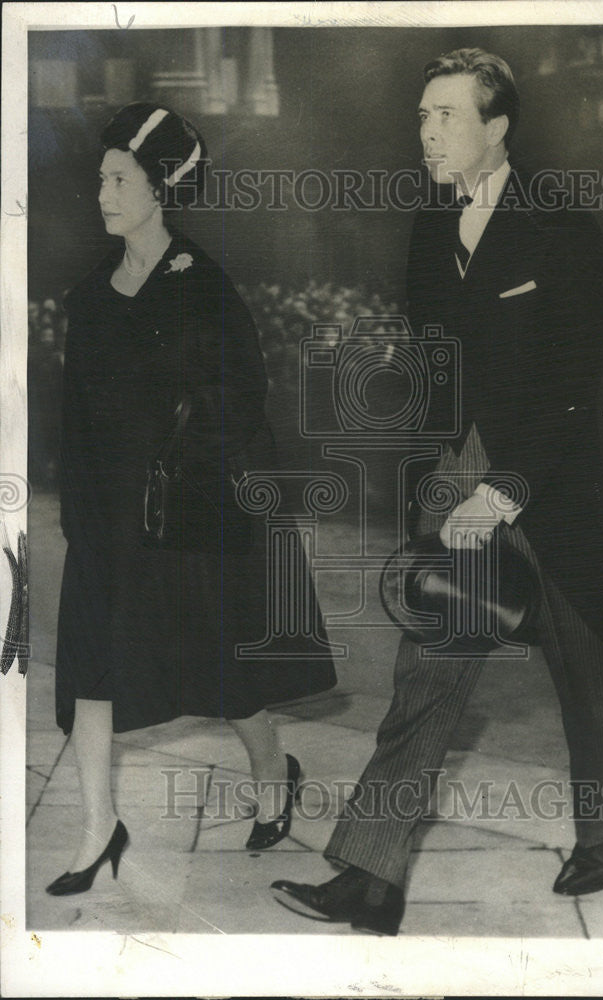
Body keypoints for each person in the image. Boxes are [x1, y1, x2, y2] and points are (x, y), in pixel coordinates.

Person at [271, 48, 603, 936]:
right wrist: (442, 474)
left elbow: (574, 381)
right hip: (459, 475)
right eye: (421, 117)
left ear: (494, 126)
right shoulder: (432, 226)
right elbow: (433, 358)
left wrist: (501, 491)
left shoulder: (560, 226)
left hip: (549, 486)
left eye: (445, 117)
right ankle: (371, 875)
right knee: (426, 676)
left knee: (583, 671)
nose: (425, 133)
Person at [47, 103, 336, 896]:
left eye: (118, 178)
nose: (101, 192)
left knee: (224, 678)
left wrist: (179, 466)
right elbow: (72, 418)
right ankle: (99, 827)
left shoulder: (201, 286)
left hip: (187, 517)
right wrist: (83, 517)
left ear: (160, 186)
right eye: (100, 177)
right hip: (107, 521)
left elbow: (244, 397)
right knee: (90, 676)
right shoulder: (92, 298)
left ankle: (273, 771)